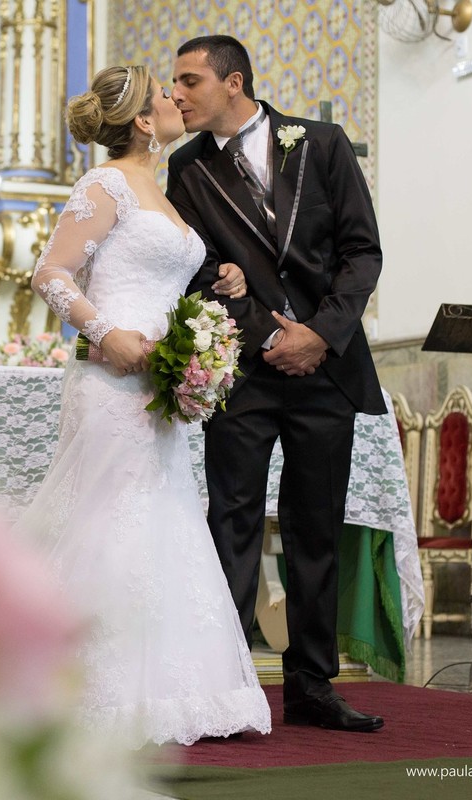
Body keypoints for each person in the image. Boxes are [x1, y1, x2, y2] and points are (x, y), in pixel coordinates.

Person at [15, 64, 271, 748]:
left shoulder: (159, 187)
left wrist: (224, 279)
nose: (176, 99)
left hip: (160, 383)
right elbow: (50, 273)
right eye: (165, 92)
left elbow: (161, 271)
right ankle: (72, 686)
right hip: (113, 377)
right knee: (107, 517)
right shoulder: (104, 184)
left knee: (162, 518)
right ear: (141, 119)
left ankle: (170, 689)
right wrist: (106, 333)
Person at [167, 35, 387, 733]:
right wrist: (269, 334)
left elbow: (362, 251)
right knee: (232, 523)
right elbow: (199, 269)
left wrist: (319, 334)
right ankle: (227, 690)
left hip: (327, 368)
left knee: (314, 526)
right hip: (244, 372)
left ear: (233, 82)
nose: (176, 94)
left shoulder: (321, 144)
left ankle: (312, 686)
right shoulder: (187, 169)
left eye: (189, 80)